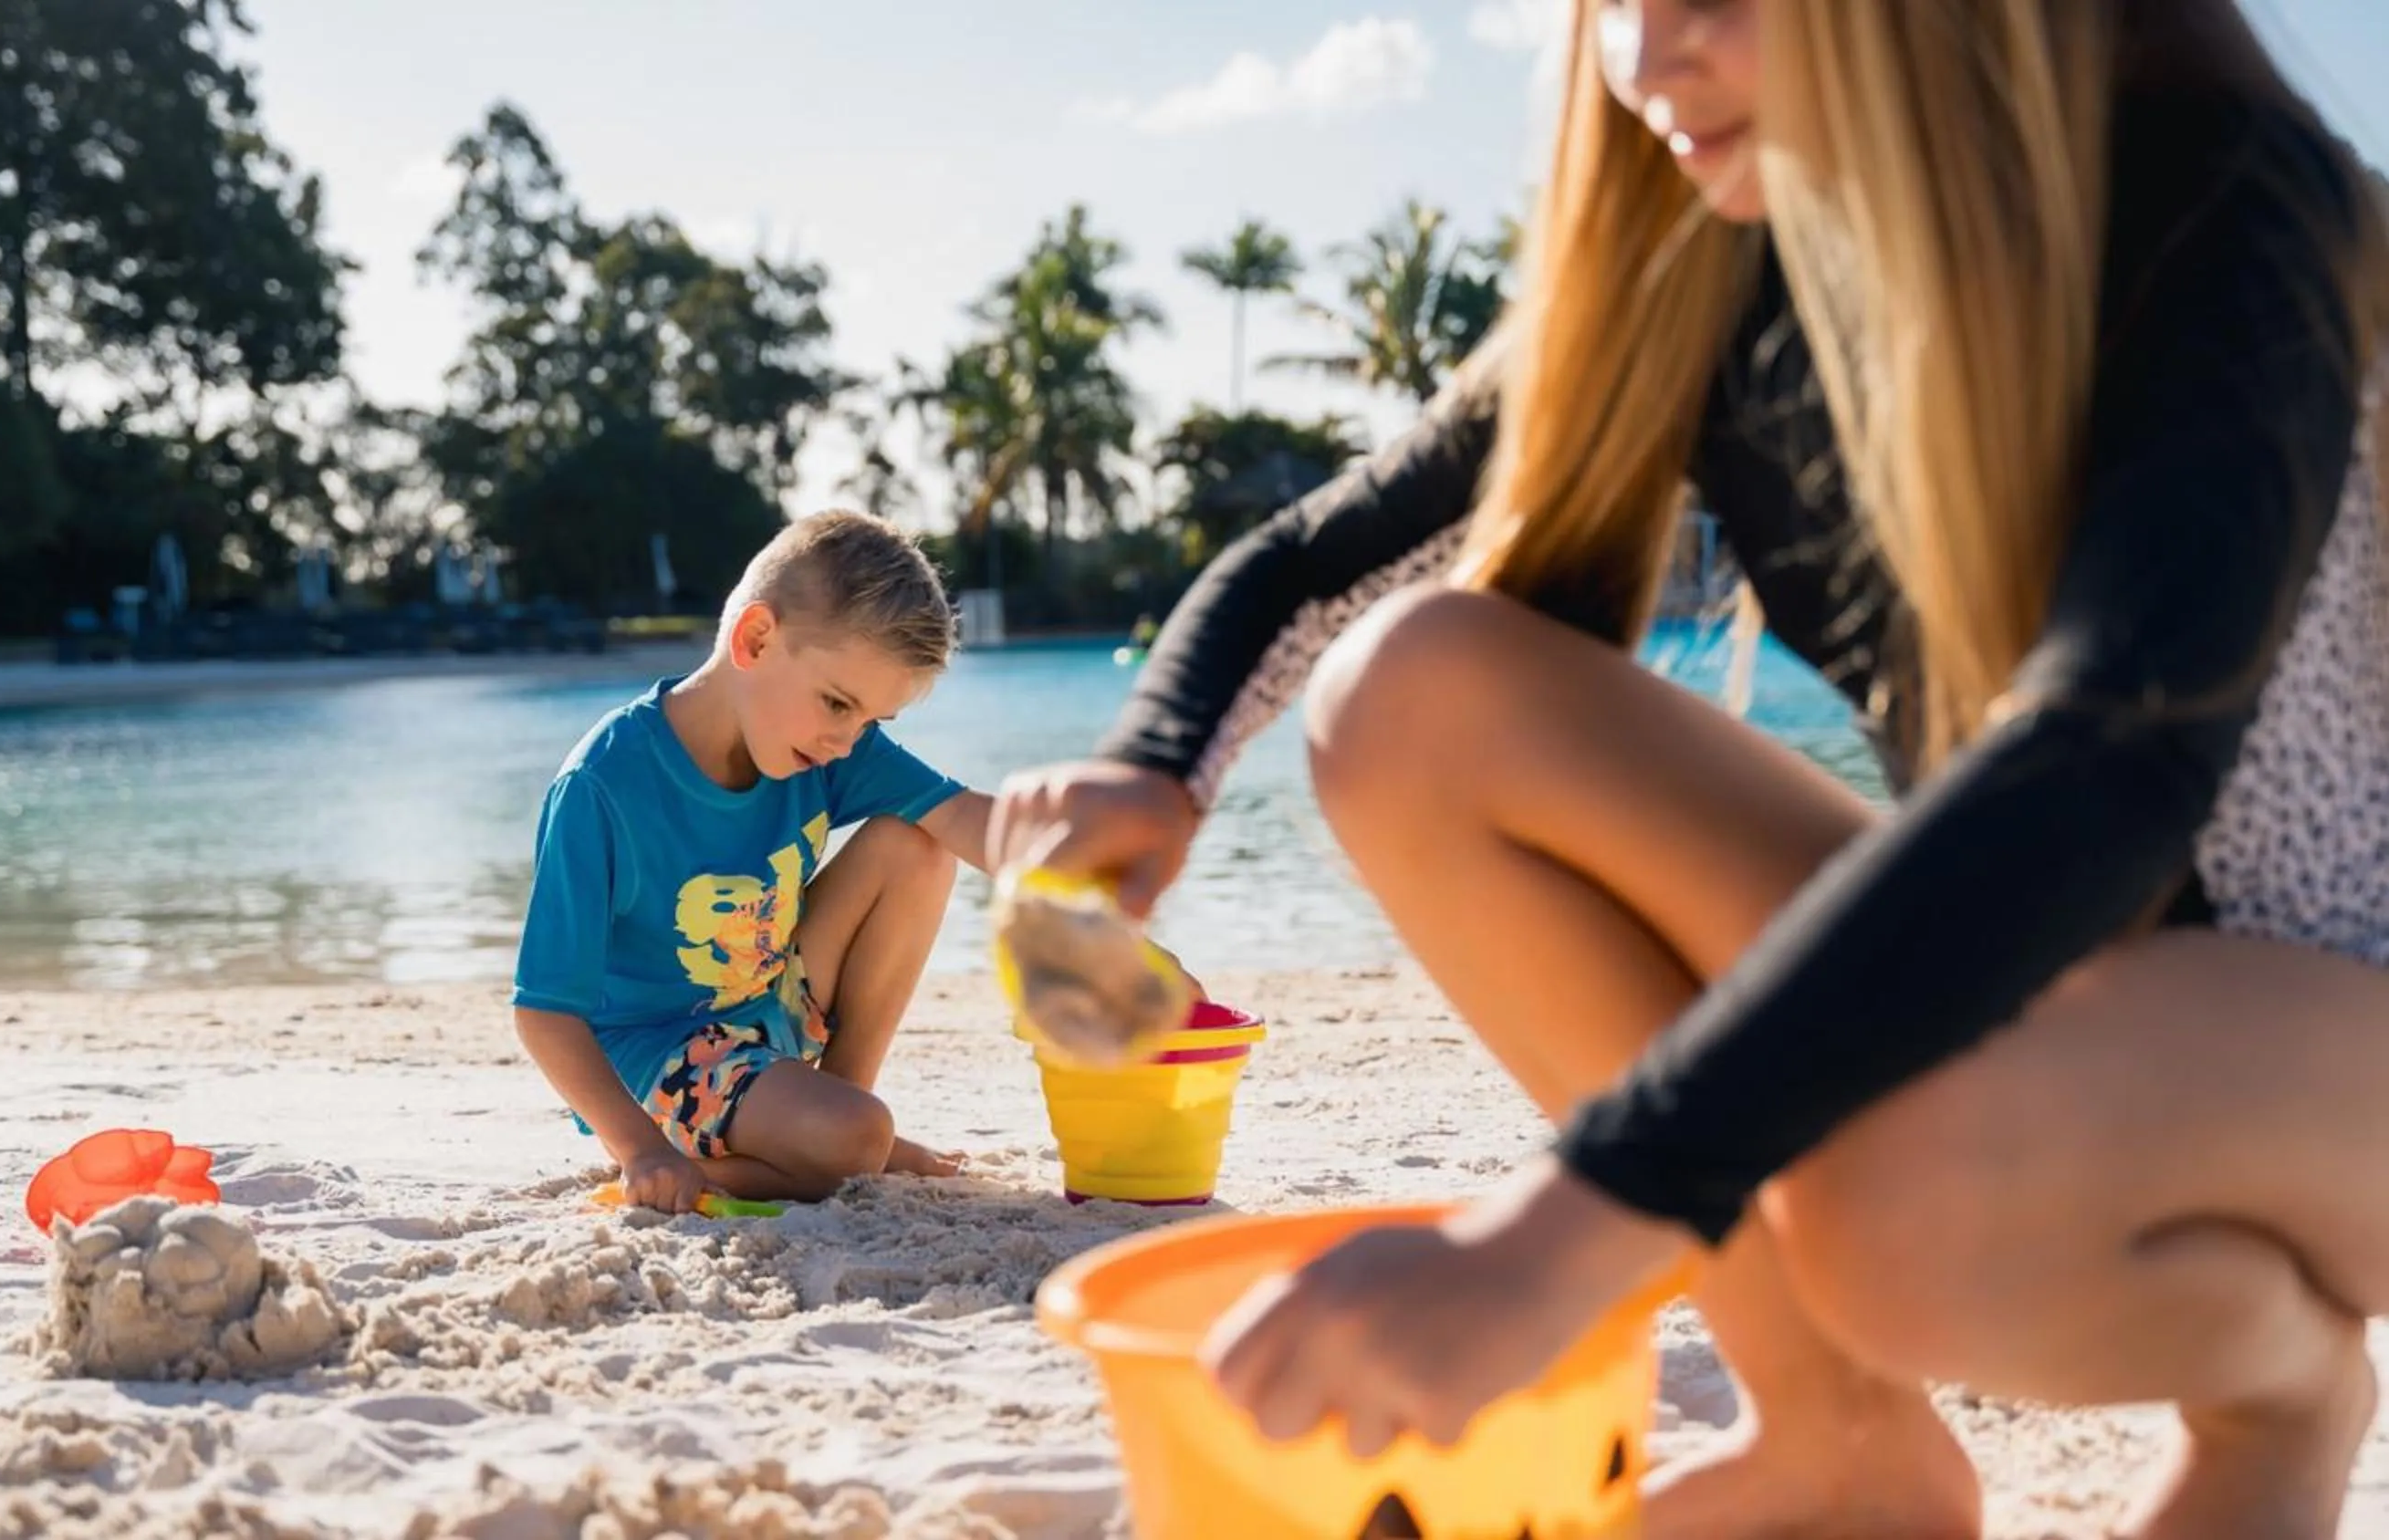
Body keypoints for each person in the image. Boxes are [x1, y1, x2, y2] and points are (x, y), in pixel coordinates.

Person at [986, 1, 2389, 1534]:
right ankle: (1841, 1445)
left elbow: (2107, 762)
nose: (1650, 60)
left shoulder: (2222, 198)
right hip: (2078, 979)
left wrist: (1570, 1227)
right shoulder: (1734, 261)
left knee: (1898, 1208)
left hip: (2338, 1032)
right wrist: (1157, 768)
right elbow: (1322, 559)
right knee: (1411, 696)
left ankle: (2279, 1393)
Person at [515, 512, 990, 1215]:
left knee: (916, 844)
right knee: (858, 1137)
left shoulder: (826, 743)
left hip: (770, 1007)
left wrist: (1112, 901)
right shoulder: (603, 784)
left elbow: (971, 822)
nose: (845, 741)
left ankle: (839, 1118)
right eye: (838, 704)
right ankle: (823, 1145)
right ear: (756, 639)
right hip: (660, 1058)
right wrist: (638, 1148)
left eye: (869, 721)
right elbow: (545, 1012)